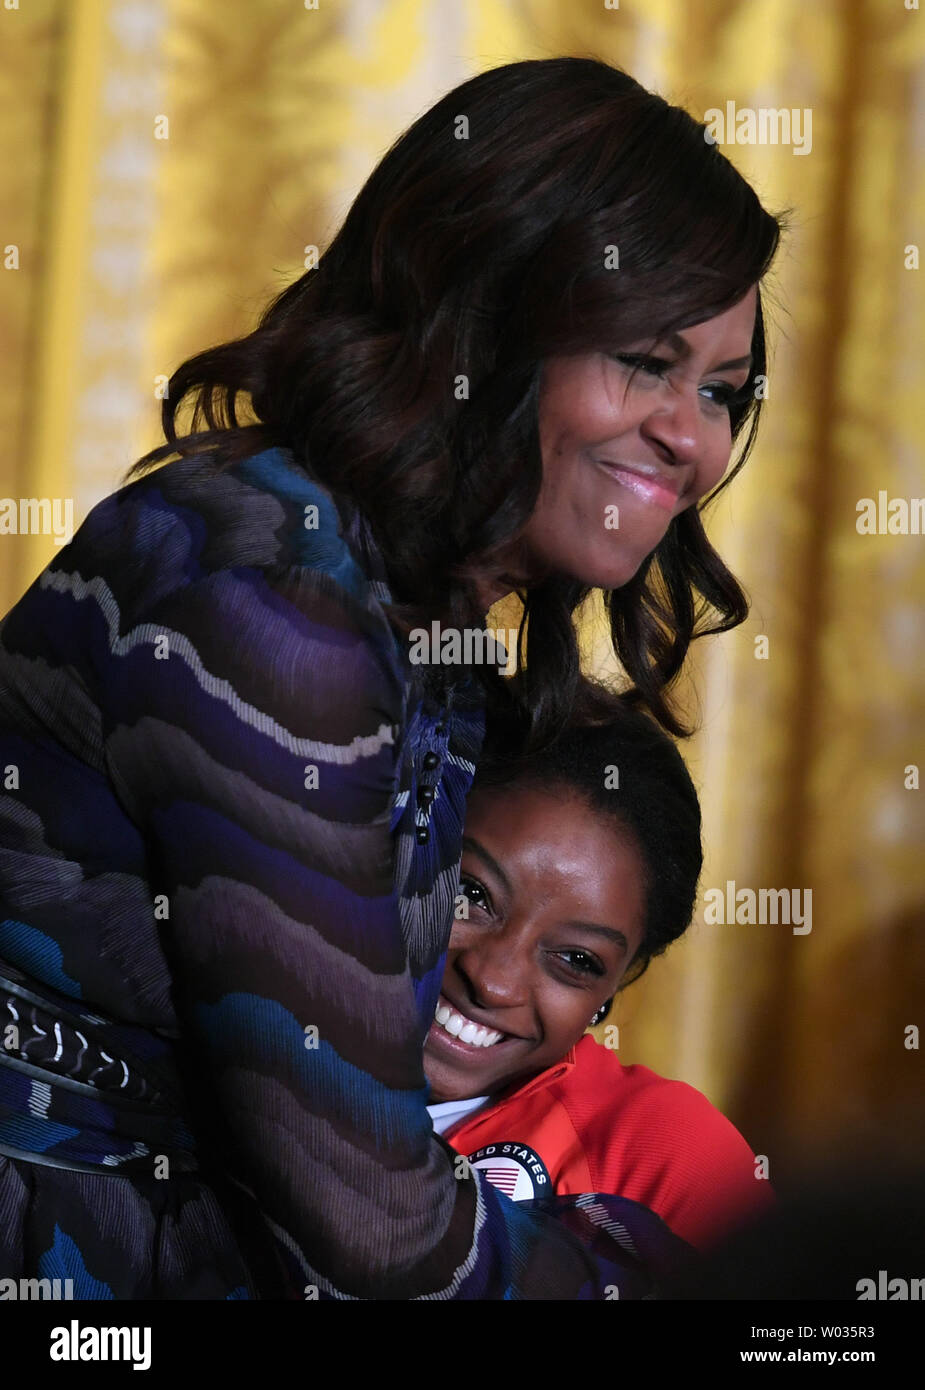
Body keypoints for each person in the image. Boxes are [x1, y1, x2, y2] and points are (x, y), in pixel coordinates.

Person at [0, 57, 782, 1298]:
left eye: (723, 393)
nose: (691, 438)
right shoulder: (275, 598)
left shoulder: (410, 618)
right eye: (645, 360)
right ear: (486, 319)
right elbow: (371, 1226)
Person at [424, 680, 776, 1252]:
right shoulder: (252, 1026)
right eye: (471, 895)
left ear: (614, 988)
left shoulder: (666, 1154)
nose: (493, 980)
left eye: (576, 960)